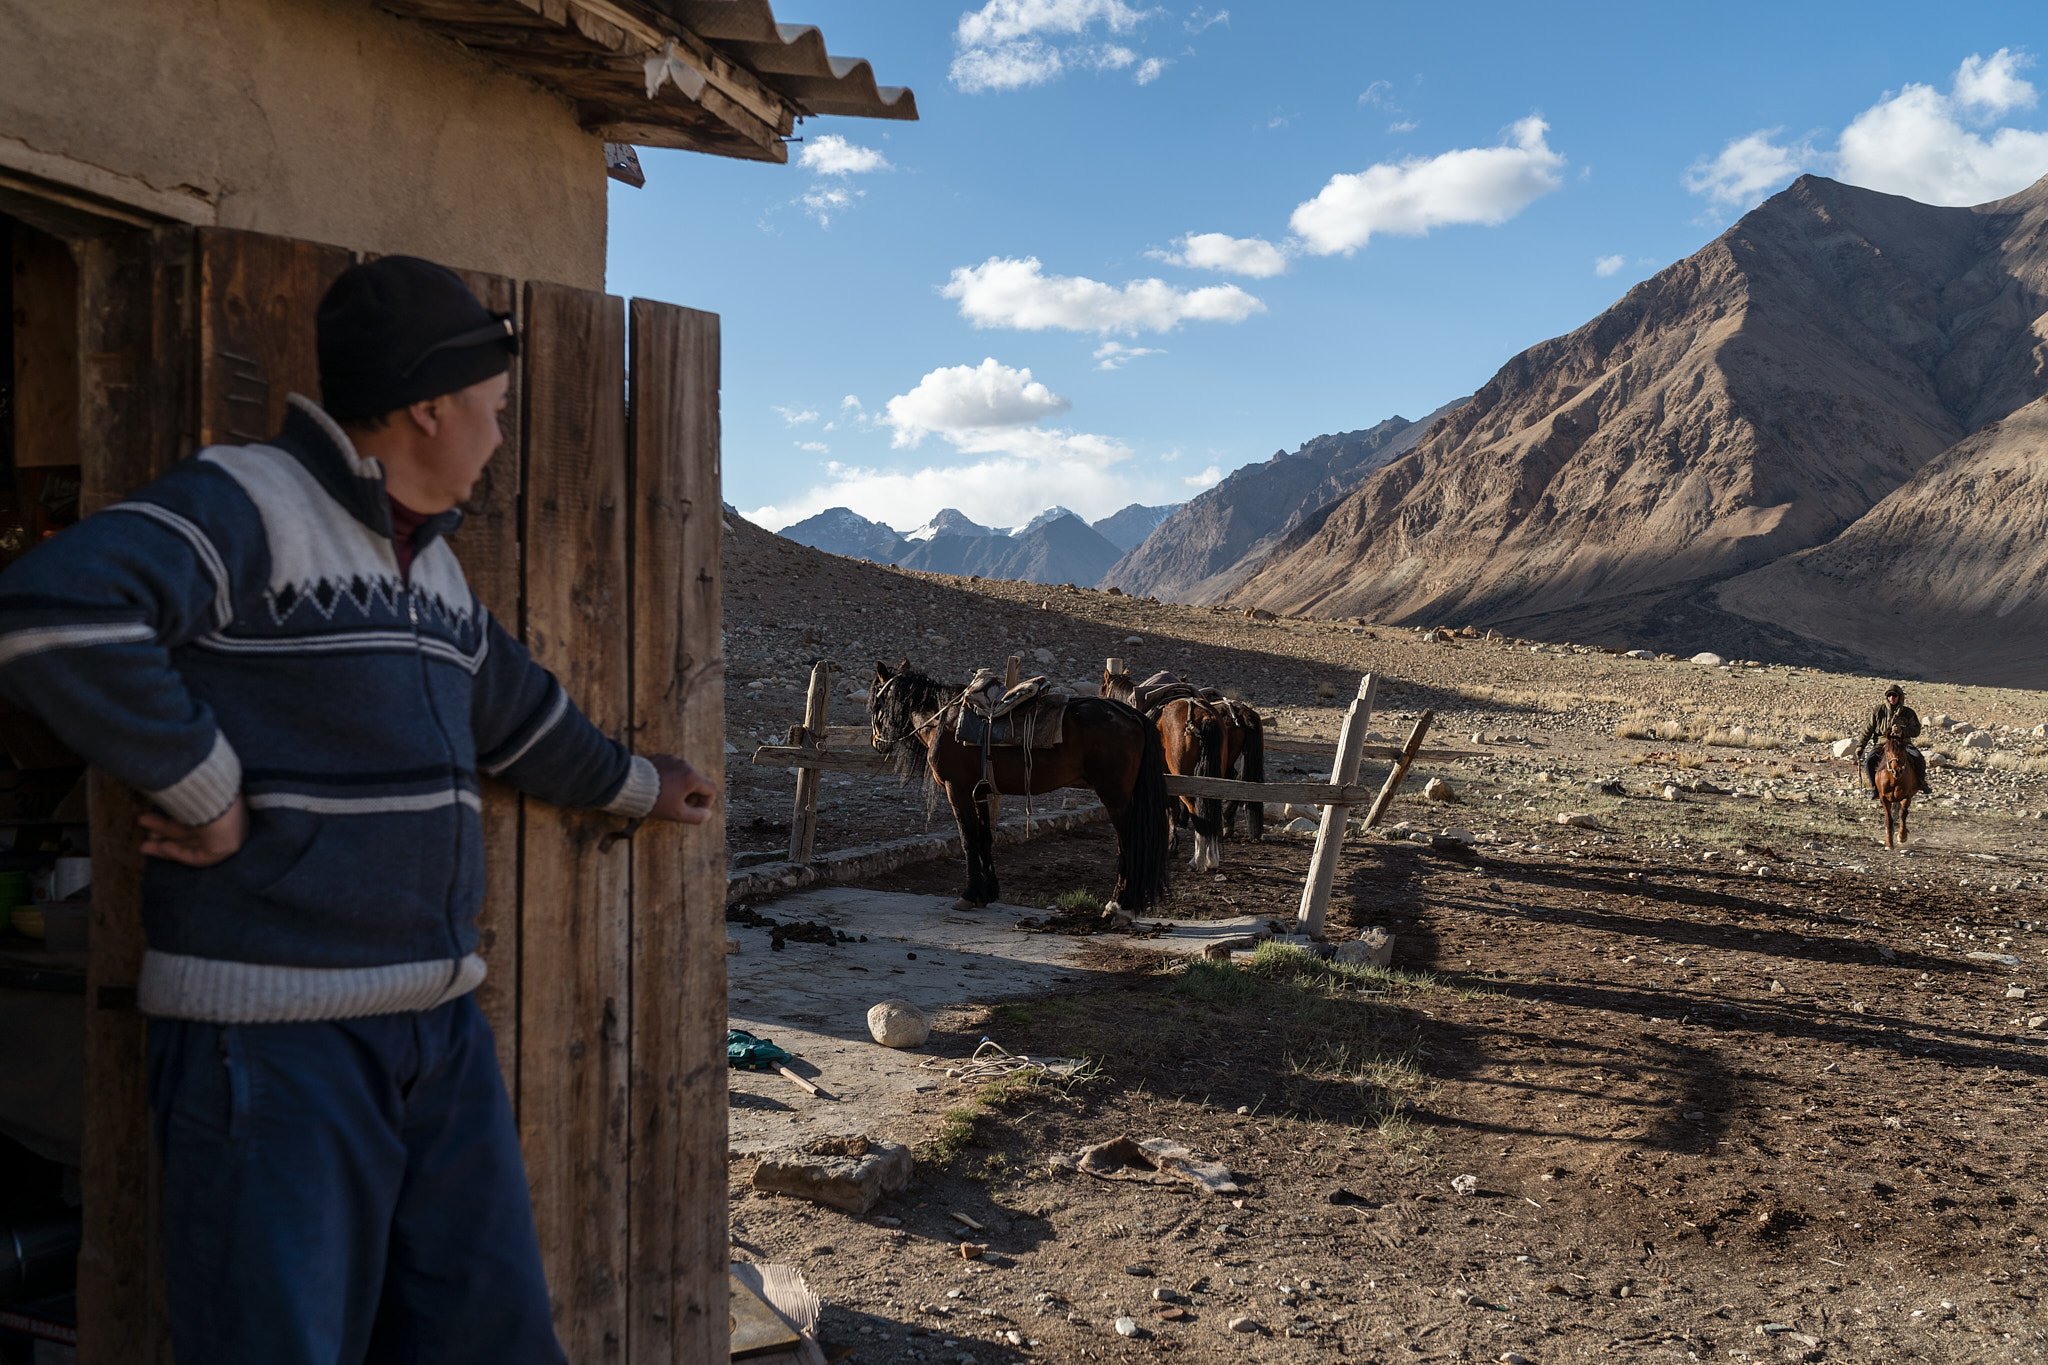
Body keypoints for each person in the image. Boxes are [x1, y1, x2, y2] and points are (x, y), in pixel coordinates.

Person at [0, 256, 718, 1364]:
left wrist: (642, 786)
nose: (497, 434)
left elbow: (521, 722)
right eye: (490, 408)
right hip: (272, 1044)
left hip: (433, 1033)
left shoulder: (429, 572)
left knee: (491, 1338)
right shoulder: (250, 501)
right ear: (429, 405)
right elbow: (55, 610)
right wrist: (204, 786)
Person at [1857, 683, 1931, 797]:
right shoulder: (1878, 711)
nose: (1892, 698)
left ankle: (1921, 783)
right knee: (1869, 761)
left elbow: (1916, 730)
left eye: (1894, 695)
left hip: (1903, 743)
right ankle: (1875, 788)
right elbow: (1867, 729)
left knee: (1919, 758)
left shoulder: (1908, 712)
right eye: (1889, 695)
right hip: (1882, 743)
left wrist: (1903, 731)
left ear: (1900, 697)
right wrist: (1861, 746)